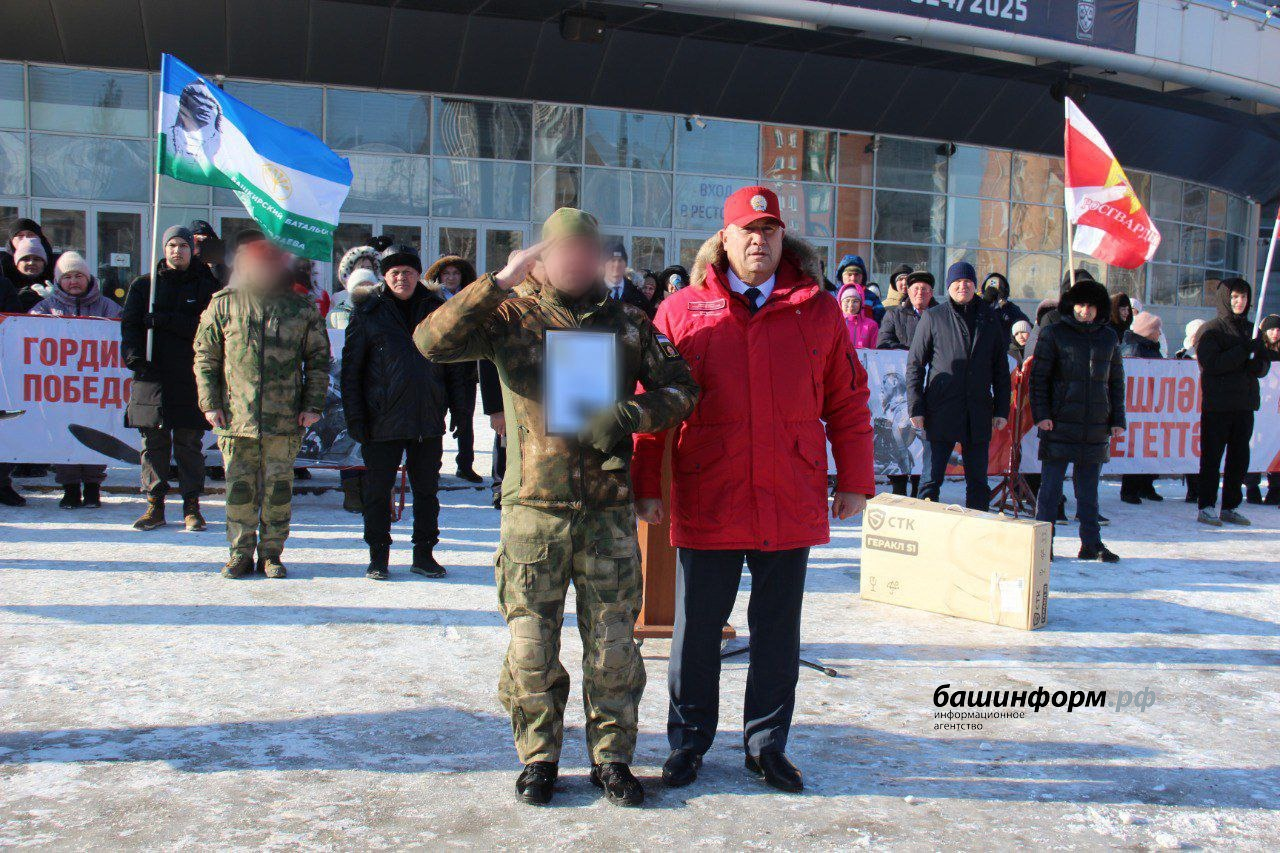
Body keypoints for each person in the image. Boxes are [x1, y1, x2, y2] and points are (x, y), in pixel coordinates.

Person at [415, 207, 699, 808]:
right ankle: (539, 756)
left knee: (614, 647)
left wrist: (636, 415)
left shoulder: (628, 323)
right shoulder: (510, 316)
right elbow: (431, 342)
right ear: (541, 257)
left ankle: (613, 759)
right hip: (533, 511)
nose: (574, 261)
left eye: (585, 251)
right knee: (530, 647)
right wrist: (498, 280)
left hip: (607, 513)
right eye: (560, 250)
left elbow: (685, 388)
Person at [632, 186, 874, 796]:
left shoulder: (816, 310)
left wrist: (855, 481)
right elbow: (652, 406)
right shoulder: (682, 311)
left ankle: (767, 746)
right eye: (748, 230)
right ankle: (687, 743)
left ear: (782, 239)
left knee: (777, 630)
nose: (758, 241)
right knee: (695, 632)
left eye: (769, 230)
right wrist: (644, 484)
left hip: (788, 495)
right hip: (711, 491)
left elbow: (847, 400)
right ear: (725, 239)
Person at [194, 240, 331, 578]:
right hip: (235, 417)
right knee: (239, 492)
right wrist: (210, 404)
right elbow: (206, 358)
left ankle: (271, 554)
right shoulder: (224, 306)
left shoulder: (301, 309)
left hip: (284, 419)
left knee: (278, 492)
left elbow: (318, 361)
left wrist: (312, 405)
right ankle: (239, 553)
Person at [342, 244, 451, 580]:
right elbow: (351, 371)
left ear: (419, 275)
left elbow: (455, 367)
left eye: (408, 272)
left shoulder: (438, 309)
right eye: (394, 273)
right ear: (384, 276)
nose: (401, 278)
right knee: (376, 493)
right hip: (381, 421)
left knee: (426, 492)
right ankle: (378, 556)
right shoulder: (367, 311)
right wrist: (356, 418)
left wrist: (459, 412)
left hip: (426, 418)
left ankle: (424, 554)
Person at [121, 225, 222, 532]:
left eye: (183, 245)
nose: (176, 251)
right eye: (171, 245)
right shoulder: (144, 286)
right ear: (163, 249)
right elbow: (130, 328)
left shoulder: (207, 286)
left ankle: (192, 505)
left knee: (189, 442)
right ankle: (155, 505)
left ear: (193, 250)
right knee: (153, 440)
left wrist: (166, 320)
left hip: (190, 375)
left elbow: (206, 329)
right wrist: (135, 359)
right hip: (152, 375)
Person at [1029, 276, 1124, 562]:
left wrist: (1117, 418)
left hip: (1095, 425)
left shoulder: (1109, 337)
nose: (1085, 311)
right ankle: (1043, 546)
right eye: (1080, 305)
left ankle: (1091, 544)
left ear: (1099, 309)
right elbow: (1039, 378)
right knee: (1050, 491)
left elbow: (1116, 381)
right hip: (1059, 422)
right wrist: (1042, 415)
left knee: (1088, 493)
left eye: (1091, 306)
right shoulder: (1054, 333)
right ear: (1072, 306)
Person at [906, 261, 1011, 510]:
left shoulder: (990, 318)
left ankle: (976, 538)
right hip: (940, 410)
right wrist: (916, 407)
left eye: (967, 282)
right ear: (949, 286)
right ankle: (927, 536)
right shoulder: (934, 317)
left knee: (978, 481)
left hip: (978, 411)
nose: (962, 286)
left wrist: (1001, 410)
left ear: (975, 285)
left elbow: (1000, 368)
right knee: (932, 480)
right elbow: (915, 365)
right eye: (957, 282)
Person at [28, 252, 123, 508]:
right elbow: (28, 332)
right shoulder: (46, 308)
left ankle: (93, 487)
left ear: (88, 277)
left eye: (78, 275)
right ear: (59, 281)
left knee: (96, 434)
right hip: (60, 387)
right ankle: (70, 488)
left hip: (95, 385)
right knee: (64, 435)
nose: (73, 281)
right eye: (67, 277)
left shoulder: (107, 306)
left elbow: (124, 330)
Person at [1195, 277, 1270, 527]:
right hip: (1218, 405)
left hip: (1244, 404)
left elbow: (1262, 365)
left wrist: (1257, 361)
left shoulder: (1252, 330)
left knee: (1239, 458)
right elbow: (1212, 364)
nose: (1240, 302)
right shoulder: (1211, 330)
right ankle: (1206, 505)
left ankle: (1230, 505)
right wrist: (1241, 352)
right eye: (1235, 297)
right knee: (1212, 457)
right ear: (1226, 298)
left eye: (1244, 297)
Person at [424, 255, 484, 483]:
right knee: (435, 418)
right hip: (437, 367)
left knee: (465, 417)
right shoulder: (429, 299)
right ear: (439, 276)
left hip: (464, 367)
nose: (450, 278)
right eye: (446, 273)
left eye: (455, 273)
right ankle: (433, 465)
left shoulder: (469, 298)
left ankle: (465, 465)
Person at [877, 271, 936, 498]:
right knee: (899, 435)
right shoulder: (894, 315)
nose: (920, 293)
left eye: (924, 289)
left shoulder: (940, 315)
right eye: (915, 289)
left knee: (925, 436)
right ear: (908, 292)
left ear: (931, 293)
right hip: (902, 389)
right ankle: (899, 486)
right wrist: (909, 354)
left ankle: (922, 488)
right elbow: (883, 343)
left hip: (930, 387)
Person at [1118, 312, 1164, 505]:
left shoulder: (1150, 347)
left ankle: (1146, 485)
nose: (1159, 333)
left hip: (1151, 405)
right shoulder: (1134, 348)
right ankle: (1129, 489)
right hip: (1136, 406)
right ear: (1147, 331)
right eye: (1156, 330)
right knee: (1135, 447)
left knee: (1148, 447)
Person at [1244, 314, 1280, 505]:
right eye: (1272, 329)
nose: (1275, 333)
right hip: (1259, 407)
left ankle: (1275, 487)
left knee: (1275, 446)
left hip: (1276, 410)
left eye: (1278, 329)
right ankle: (1251, 486)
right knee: (1255, 446)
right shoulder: (1257, 350)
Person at [1175, 319, 1205, 504]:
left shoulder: (1210, 352)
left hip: (1205, 407)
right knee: (1190, 451)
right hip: (1188, 410)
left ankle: (1201, 488)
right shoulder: (1183, 356)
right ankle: (1193, 489)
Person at [601, 241, 653, 317]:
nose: (616, 265)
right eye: (612, 260)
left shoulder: (638, 297)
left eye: (620, 260)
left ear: (625, 264)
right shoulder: (592, 293)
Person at [1, 218, 56, 286]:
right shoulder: (3, 264)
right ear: (12, 240)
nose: (26, 238)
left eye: (31, 235)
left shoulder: (55, 263)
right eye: (20, 235)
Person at [833, 254, 884, 323]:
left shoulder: (872, 298)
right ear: (841, 276)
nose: (853, 278)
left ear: (862, 277)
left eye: (857, 274)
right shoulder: (832, 295)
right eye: (849, 274)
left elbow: (882, 322)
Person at [12, 237, 55, 312]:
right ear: (17, 264)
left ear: (44, 263)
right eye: (26, 259)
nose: (31, 263)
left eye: (36, 259)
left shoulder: (54, 286)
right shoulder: (7, 286)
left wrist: (55, 300)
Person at [837, 282, 879, 349]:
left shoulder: (871, 325)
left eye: (855, 301)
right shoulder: (835, 324)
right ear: (840, 303)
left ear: (861, 304)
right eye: (847, 301)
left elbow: (875, 352)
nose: (851, 305)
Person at [190, 220, 230, 287]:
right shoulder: (185, 263)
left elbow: (223, 285)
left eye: (207, 242)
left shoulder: (222, 264)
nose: (202, 245)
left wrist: (213, 262)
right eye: (198, 242)